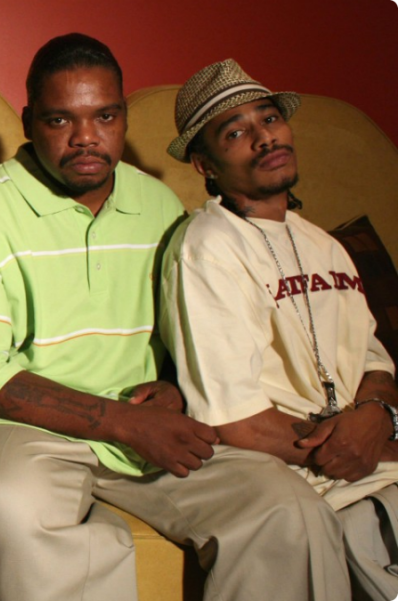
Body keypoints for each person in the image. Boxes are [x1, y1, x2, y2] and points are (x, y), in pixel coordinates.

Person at [0, 34, 345, 601]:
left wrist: (175, 388)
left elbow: (193, 335)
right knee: (16, 506)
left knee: (287, 509)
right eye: (60, 120)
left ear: (123, 118)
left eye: (105, 116)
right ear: (28, 122)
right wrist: (120, 421)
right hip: (28, 433)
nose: (86, 137)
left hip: (151, 432)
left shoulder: (160, 205)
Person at [160, 58, 398, 601]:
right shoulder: (208, 248)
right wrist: (367, 449)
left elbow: (375, 364)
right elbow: (236, 421)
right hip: (314, 480)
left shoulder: (324, 244)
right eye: (236, 132)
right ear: (205, 164)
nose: (264, 137)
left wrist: (377, 417)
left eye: (269, 119)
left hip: (368, 459)